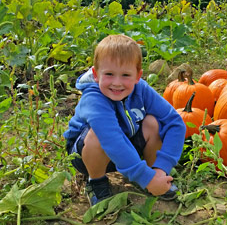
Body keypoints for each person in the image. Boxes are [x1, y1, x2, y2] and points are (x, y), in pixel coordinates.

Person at [64, 34, 186, 206]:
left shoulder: (141, 89)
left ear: (138, 76)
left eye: (126, 75)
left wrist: (161, 168)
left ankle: (155, 173)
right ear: (96, 74)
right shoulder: (93, 98)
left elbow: (175, 122)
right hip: (88, 155)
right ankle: (96, 182)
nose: (117, 82)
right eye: (109, 74)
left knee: (153, 123)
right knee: (97, 135)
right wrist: (145, 178)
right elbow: (112, 140)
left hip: (126, 147)